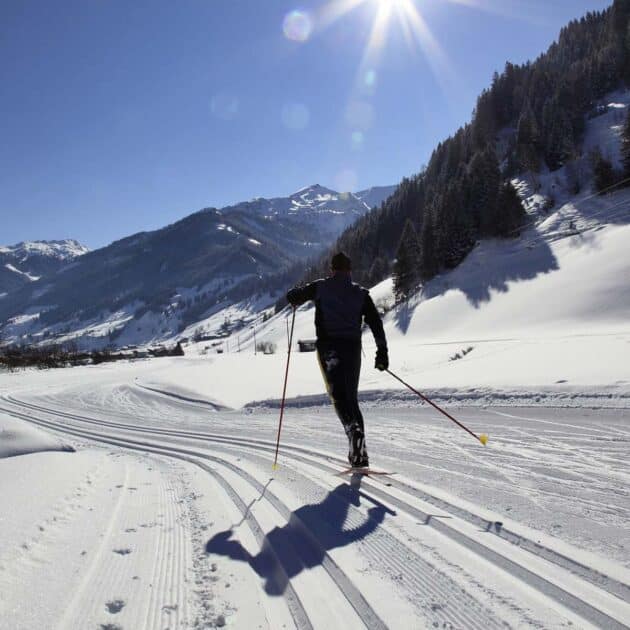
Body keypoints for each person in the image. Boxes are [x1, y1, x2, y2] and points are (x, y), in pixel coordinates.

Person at [286, 252, 389, 468]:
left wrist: (294, 296)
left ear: (332, 269)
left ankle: (352, 430)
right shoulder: (361, 293)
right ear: (350, 271)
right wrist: (382, 352)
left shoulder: (321, 286)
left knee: (337, 395)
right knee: (351, 398)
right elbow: (376, 323)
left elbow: (293, 295)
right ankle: (360, 456)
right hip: (352, 349)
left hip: (329, 348)